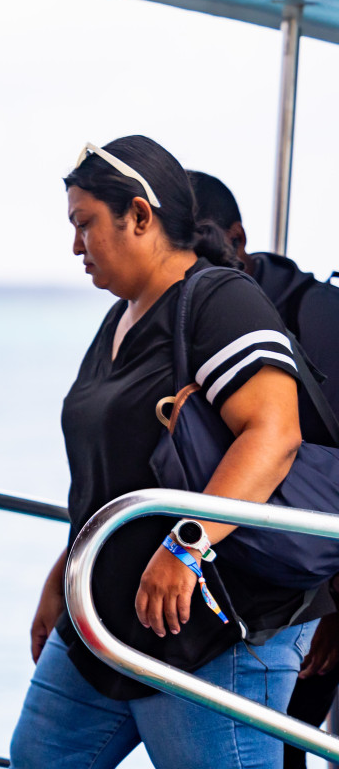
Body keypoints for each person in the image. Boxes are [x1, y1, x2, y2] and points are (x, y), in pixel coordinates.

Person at [9, 136, 329, 769]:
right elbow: (118, 475)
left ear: (139, 215)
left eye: (85, 225)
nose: (76, 246)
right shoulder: (121, 317)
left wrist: (187, 543)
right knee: (39, 758)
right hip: (107, 618)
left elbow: (274, 434)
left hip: (210, 625)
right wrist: (63, 576)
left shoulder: (217, 301)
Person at [189, 169, 339, 768]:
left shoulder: (319, 318)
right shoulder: (180, 315)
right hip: (223, 592)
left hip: (309, 591)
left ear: (237, 239)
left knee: (286, 748)